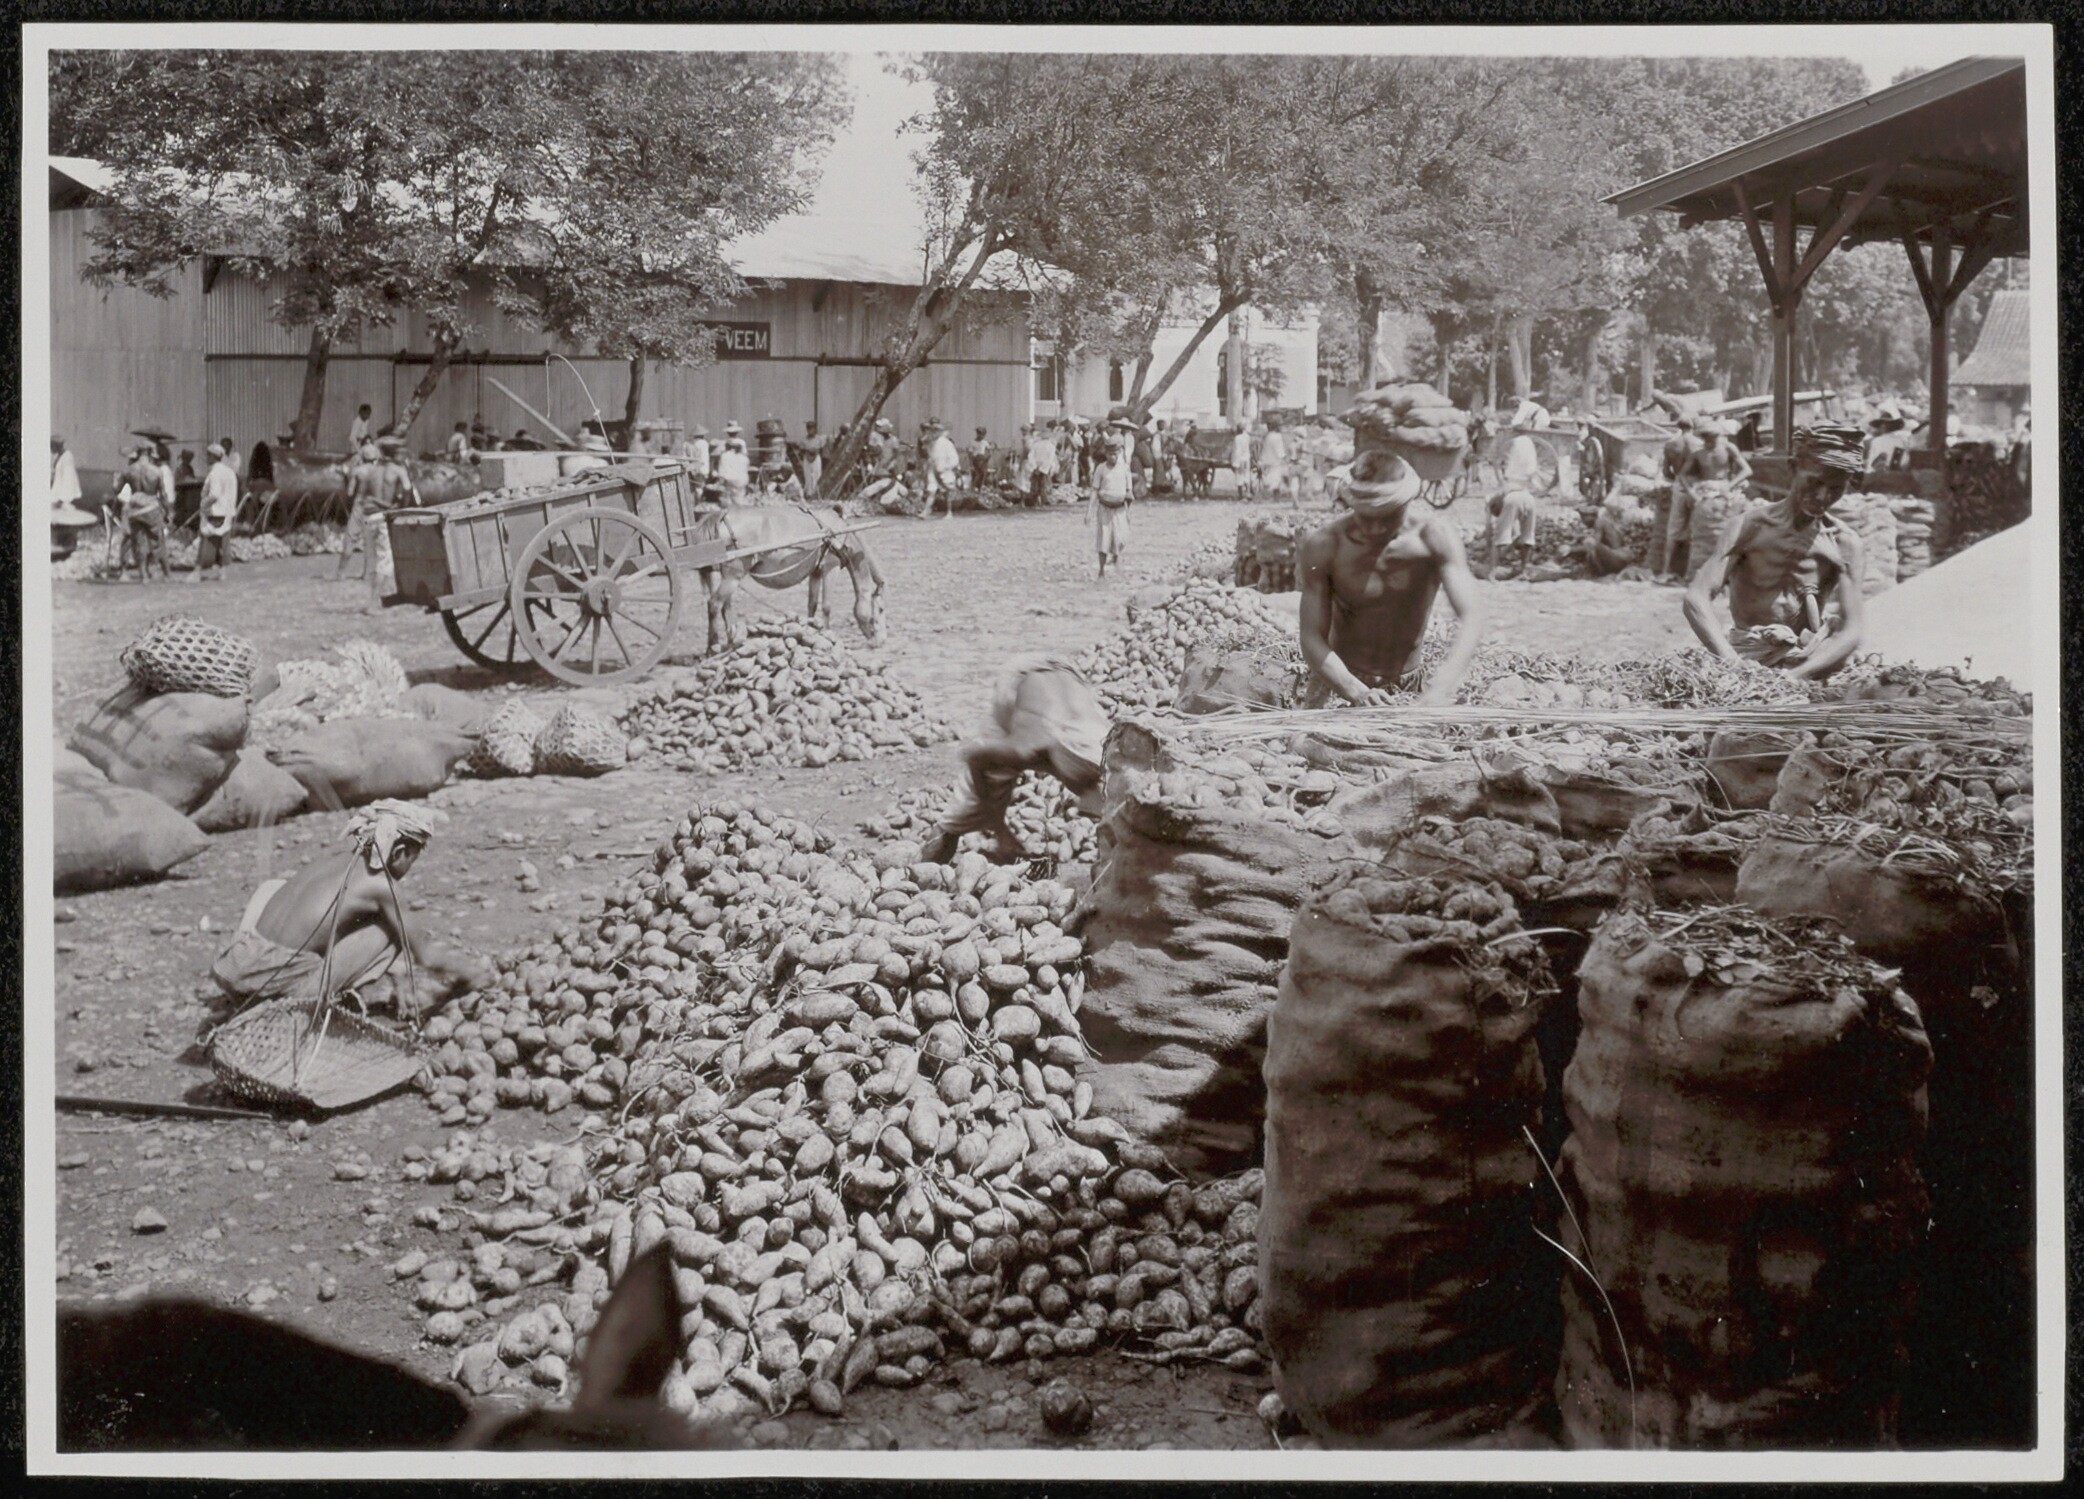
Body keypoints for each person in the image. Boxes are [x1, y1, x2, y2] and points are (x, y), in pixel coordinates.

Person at [208, 801, 487, 1016]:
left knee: (273, 886)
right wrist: (471, 972)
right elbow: (425, 955)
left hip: (234, 966)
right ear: (399, 851)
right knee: (388, 929)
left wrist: (397, 972)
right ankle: (289, 1008)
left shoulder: (335, 858)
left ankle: (246, 996)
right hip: (266, 985)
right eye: (413, 857)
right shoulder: (381, 886)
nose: (410, 866)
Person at [1297, 449, 1484, 708]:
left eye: (1388, 516)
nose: (1375, 528)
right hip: (1339, 682)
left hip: (1408, 685)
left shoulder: (1434, 538)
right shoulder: (1325, 545)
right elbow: (1310, 636)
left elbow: (1472, 616)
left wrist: (1443, 684)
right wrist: (1356, 691)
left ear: (1408, 501)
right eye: (1365, 517)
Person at [1683, 424, 1867, 679]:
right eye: (1814, 482)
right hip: (1747, 658)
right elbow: (1696, 598)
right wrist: (1732, 662)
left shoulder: (1844, 543)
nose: (1822, 496)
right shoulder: (1749, 527)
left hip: (1810, 661)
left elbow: (1852, 629)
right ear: (1793, 468)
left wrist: (1797, 676)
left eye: (1835, 489)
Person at [921, 660, 1108, 866]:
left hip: (1065, 671)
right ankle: (924, 869)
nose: (1080, 796)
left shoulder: (1107, 746)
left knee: (1114, 813)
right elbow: (975, 758)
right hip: (1018, 680)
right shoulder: (1025, 749)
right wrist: (1001, 831)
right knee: (967, 809)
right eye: (1081, 788)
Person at [1485, 429, 1546, 578]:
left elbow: (1506, 486)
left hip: (1512, 496)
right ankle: (1524, 570)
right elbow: (1532, 476)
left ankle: (1492, 571)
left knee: (1499, 536)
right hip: (1528, 496)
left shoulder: (1513, 445)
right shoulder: (1529, 445)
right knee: (1528, 536)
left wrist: (1491, 502)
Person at [116, 446, 172, 581]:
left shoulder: (128, 470)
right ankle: (167, 574)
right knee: (158, 541)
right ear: (150, 455)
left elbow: (117, 489)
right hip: (151, 507)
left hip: (135, 509)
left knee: (138, 542)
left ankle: (144, 576)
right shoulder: (157, 471)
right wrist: (167, 511)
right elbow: (163, 494)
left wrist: (115, 481)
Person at [337, 439, 384, 588]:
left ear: (363, 456)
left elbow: (350, 493)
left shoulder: (358, 471)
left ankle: (341, 572)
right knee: (370, 542)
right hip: (375, 508)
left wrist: (347, 476)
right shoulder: (381, 472)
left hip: (360, 506)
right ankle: (366, 574)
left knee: (350, 538)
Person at [1658, 416, 1701, 577]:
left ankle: (1666, 569)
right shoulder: (1699, 444)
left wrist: (1677, 476)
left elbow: (1665, 472)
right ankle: (1691, 571)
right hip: (1697, 487)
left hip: (1679, 486)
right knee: (1697, 527)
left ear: (1679, 427)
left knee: (1673, 530)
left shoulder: (1670, 445)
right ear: (1693, 426)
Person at [191, 441, 239, 584]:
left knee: (207, 540)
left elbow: (215, 494)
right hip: (227, 512)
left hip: (215, 511)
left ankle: (197, 572)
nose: (206, 458)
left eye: (208, 455)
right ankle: (222, 572)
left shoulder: (215, 473)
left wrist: (203, 504)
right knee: (222, 542)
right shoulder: (230, 472)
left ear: (213, 456)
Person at [1090, 435, 1133, 578]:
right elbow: (1094, 490)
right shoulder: (1101, 469)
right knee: (1103, 540)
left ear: (1119, 453)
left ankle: (1116, 557)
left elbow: (1129, 492)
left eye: (1115, 454)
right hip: (1104, 508)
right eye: (1109, 454)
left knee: (1121, 539)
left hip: (1120, 509)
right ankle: (1101, 570)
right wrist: (1089, 511)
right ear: (1106, 454)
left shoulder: (1125, 469)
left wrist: (1129, 511)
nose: (1112, 457)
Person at [1024, 421, 1059, 508]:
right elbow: (1049, 459)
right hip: (1044, 468)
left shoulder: (1035, 445)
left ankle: (1035, 501)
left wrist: (1035, 467)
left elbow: (1030, 456)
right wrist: (1043, 468)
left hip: (1035, 466)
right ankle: (1042, 501)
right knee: (1043, 484)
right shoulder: (1051, 446)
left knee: (1035, 484)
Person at [716, 423, 751, 503]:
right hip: (742, 480)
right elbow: (745, 456)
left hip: (730, 480)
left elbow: (721, 471)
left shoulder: (724, 446)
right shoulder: (742, 443)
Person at [793, 420, 828, 498]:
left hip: (816, 458)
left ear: (815, 429)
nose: (810, 430)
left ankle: (816, 493)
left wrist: (814, 451)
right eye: (808, 428)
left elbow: (821, 449)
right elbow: (801, 449)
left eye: (812, 428)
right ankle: (809, 494)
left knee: (817, 475)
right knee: (808, 476)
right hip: (807, 458)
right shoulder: (804, 440)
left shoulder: (819, 439)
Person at [1229, 424, 1253, 498]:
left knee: (1239, 476)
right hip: (1246, 458)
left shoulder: (1237, 438)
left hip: (1239, 459)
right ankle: (1248, 492)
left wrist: (1233, 462)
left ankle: (1241, 494)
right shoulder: (1247, 437)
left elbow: (1236, 450)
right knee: (1246, 475)